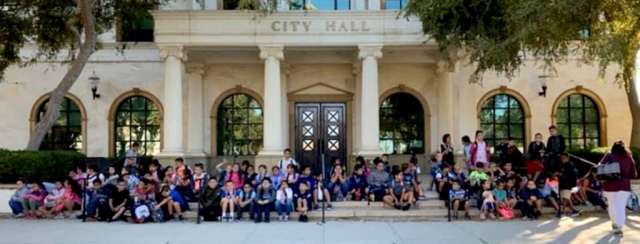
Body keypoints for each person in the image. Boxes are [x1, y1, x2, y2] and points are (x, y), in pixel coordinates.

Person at [600, 141, 638, 237]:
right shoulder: (628, 157)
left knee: (612, 206)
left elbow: (600, 167)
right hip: (624, 185)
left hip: (609, 185)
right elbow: (634, 174)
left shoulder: (608, 155)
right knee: (620, 207)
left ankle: (614, 224)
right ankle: (620, 228)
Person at [556, 153, 582, 218]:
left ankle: (562, 211)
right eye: (561, 158)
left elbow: (571, 175)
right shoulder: (561, 165)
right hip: (562, 183)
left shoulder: (570, 165)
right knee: (566, 197)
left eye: (564, 158)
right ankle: (574, 210)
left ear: (568, 158)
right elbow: (560, 172)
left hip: (568, 183)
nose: (562, 159)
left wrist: (561, 174)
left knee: (565, 197)